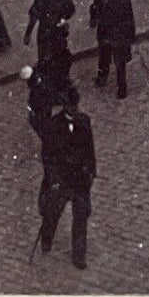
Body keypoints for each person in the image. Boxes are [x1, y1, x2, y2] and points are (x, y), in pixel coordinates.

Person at [35, 85, 96, 268]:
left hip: (79, 179)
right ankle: (46, 240)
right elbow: (48, 157)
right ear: (64, 106)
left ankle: (79, 255)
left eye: (75, 106)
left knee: (81, 216)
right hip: (60, 179)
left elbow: (89, 150)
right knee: (53, 213)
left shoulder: (84, 121)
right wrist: (53, 180)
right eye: (70, 106)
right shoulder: (53, 125)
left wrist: (92, 172)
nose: (73, 109)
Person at [90, 0, 136, 98]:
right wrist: (131, 37)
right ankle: (122, 88)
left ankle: (102, 78)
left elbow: (95, 11)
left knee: (104, 56)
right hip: (119, 34)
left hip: (105, 32)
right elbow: (130, 19)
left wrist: (93, 20)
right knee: (120, 63)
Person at [24, 0, 75, 75]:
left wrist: (28, 34)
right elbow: (70, 12)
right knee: (58, 57)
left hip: (45, 32)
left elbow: (33, 18)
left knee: (45, 58)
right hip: (58, 31)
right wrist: (62, 19)